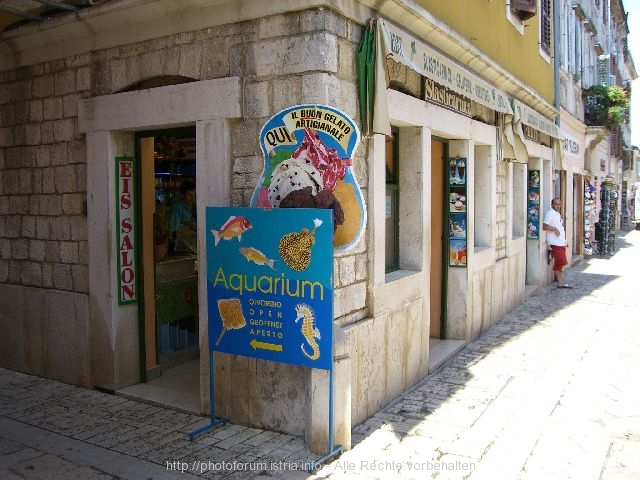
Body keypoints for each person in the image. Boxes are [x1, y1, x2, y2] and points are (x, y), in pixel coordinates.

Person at [543, 197, 572, 288]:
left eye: (559, 204)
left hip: (560, 242)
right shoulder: (550, 213)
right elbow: (544, 226)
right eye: (556, 204)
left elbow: (561, 228)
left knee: (560, 262)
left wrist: (565, 241)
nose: (558, 206)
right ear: (552, 204)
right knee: (561, 261)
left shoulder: (558, 214)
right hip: (554, 242)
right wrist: (554, 229)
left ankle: (560, 283)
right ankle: (560, 281)